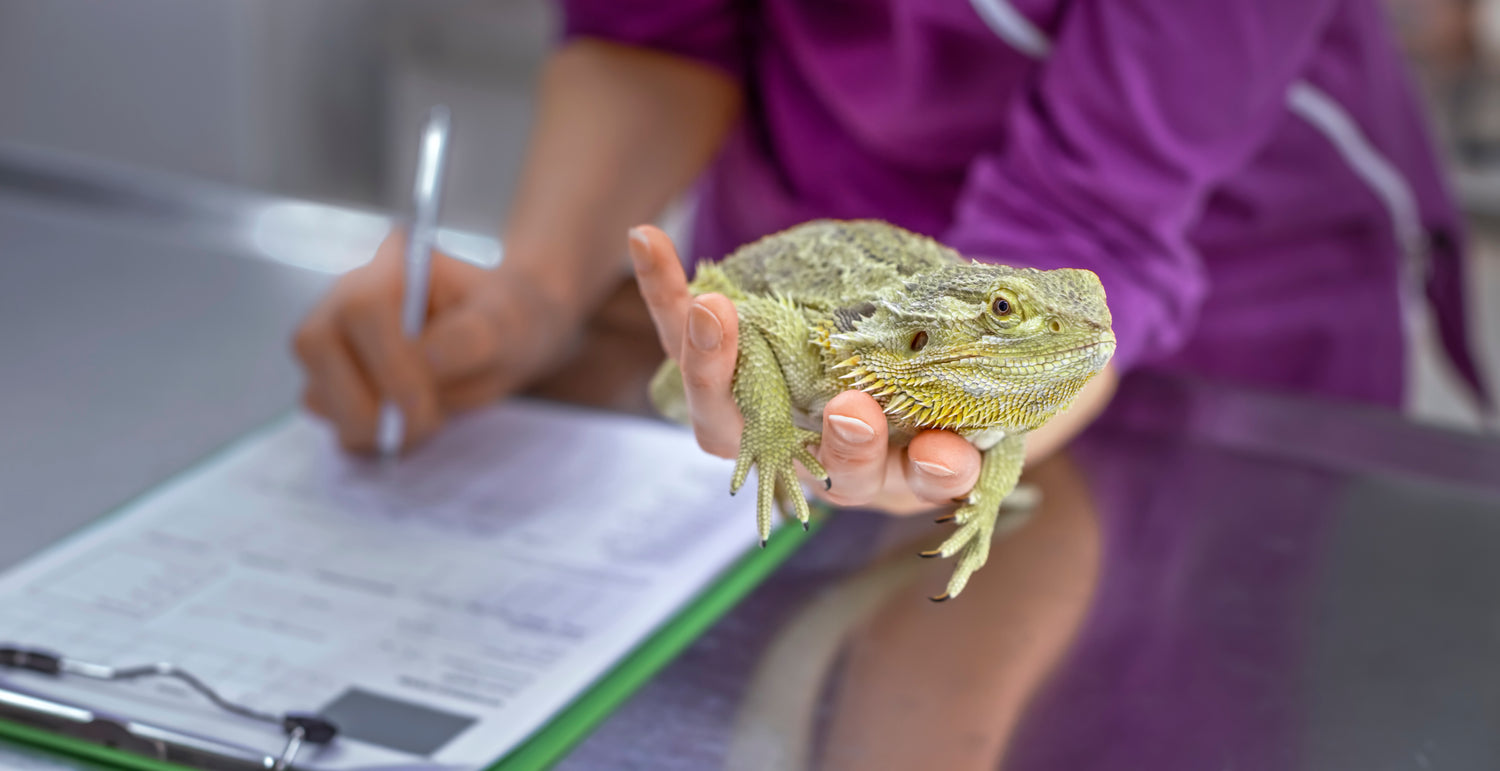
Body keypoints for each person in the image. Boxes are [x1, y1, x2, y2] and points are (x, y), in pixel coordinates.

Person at [292, 0, 1488, 517]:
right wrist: (536, 295)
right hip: (830, 304)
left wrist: (941, 433)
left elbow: (1096, 224)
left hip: (1215, 330)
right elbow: (660, 32)